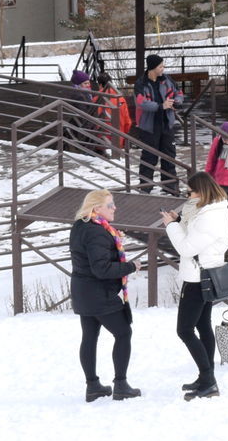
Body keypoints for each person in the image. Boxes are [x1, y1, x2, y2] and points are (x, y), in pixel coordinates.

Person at [161, 171, 228, 400]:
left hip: (198, 278)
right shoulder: (211, 210)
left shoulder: (209, 216)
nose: (187, 196)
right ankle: (205, 377)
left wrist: (171, 226)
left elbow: (187, 249)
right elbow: (194, 238)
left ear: (202, 191)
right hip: (205, 274)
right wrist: (180, 222)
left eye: (190, 192)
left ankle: (209, 380)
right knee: (202, 325)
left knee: (184, 330)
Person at [69, 188, 142, 401]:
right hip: (98, 294)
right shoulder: (96, 231)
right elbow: (101, 269)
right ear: (96, 208)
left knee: (90, 336)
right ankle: (120, 385)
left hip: (83, 291)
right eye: (110, 205)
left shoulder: (80, 225)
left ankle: (93, 387)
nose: (114, 208)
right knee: (123, 333)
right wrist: (130, 267)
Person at [134, 54, 184, 194]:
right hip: (149, 127)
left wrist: (177, 102)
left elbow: (178, 92)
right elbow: (141, 103)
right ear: (152, 68)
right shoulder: (141, 84)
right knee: (149, 157)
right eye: (161, 66)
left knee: (169, 155)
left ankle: (169, 186)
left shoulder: (167, 80)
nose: (163, 68)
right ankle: (145, 186)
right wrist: (161, 106)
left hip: (166, 124)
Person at [96, 73, 133, 149]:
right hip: (118, 138)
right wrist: (123, 135)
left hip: (101, 139)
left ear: (100, 85)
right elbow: (127, 122)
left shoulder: (96, 99)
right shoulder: (121, 99)